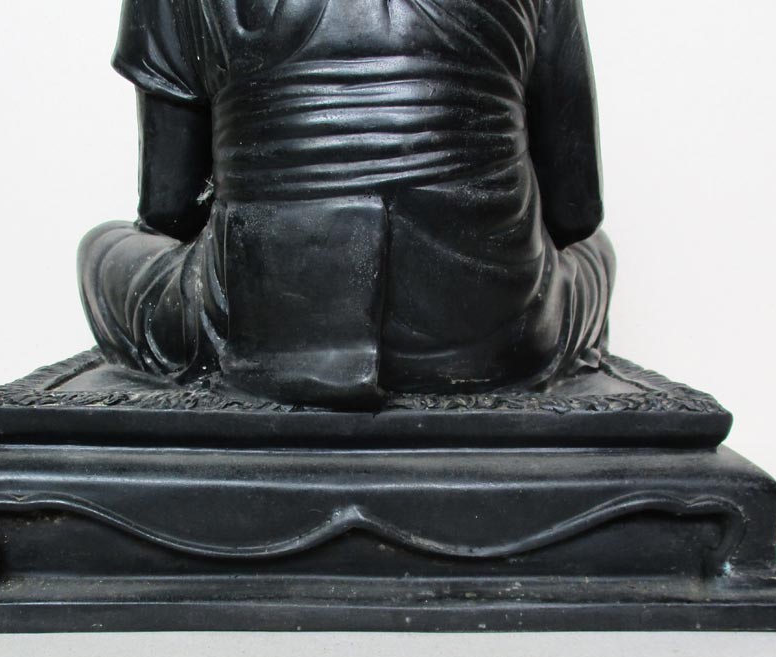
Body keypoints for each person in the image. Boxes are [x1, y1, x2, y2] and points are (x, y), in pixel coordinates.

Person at [78, 0, 615, 408]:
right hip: (494, 331)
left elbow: (170, 210)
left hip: (267, 321)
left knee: (102, 248)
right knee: (597, 254)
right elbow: (576, 212)